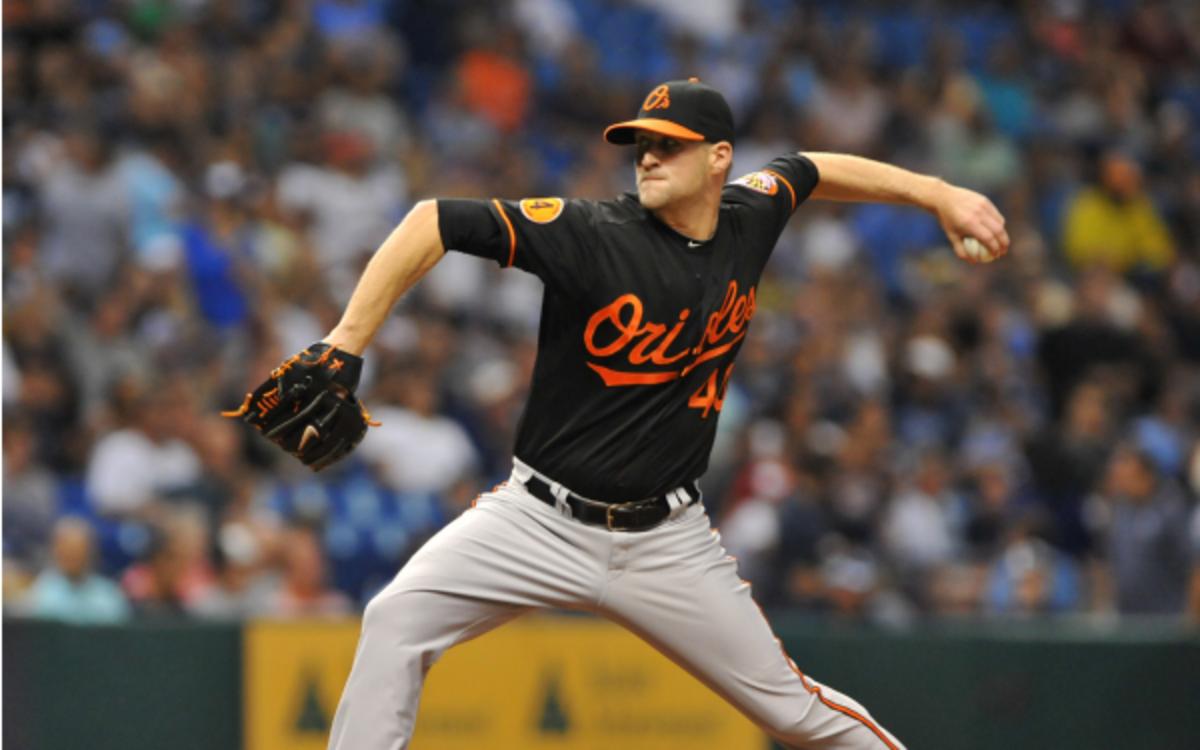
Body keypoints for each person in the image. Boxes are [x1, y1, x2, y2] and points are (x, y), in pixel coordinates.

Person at [321, 79, 1008, 750]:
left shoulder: (751, 215)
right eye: (641, 143)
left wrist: (940, 194)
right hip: (535, 521)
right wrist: (344, 343)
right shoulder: (591, 232)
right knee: (394, 622)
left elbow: (814, 168)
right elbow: (432, 220)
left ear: (718, 159)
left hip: (666, 540)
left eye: (669, 145)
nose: (647, 156)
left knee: (798, 714)